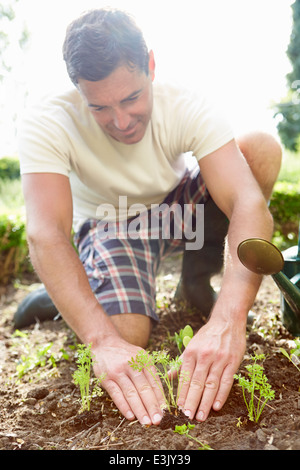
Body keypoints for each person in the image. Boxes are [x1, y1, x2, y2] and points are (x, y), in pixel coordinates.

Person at [17, 8, 282, 426]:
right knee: (125, 336)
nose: (120, 122)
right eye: (100, 107)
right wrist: (102, 340)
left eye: (130, 98)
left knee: (260, 149)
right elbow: (46, 232)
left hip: (178, 208)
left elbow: (248, 203)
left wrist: (229, 320)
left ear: (151, 66)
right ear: (78, 90)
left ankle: (197, 280)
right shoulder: (46, 121)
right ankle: (69, 287)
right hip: (112, 224)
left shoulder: (186, 102)